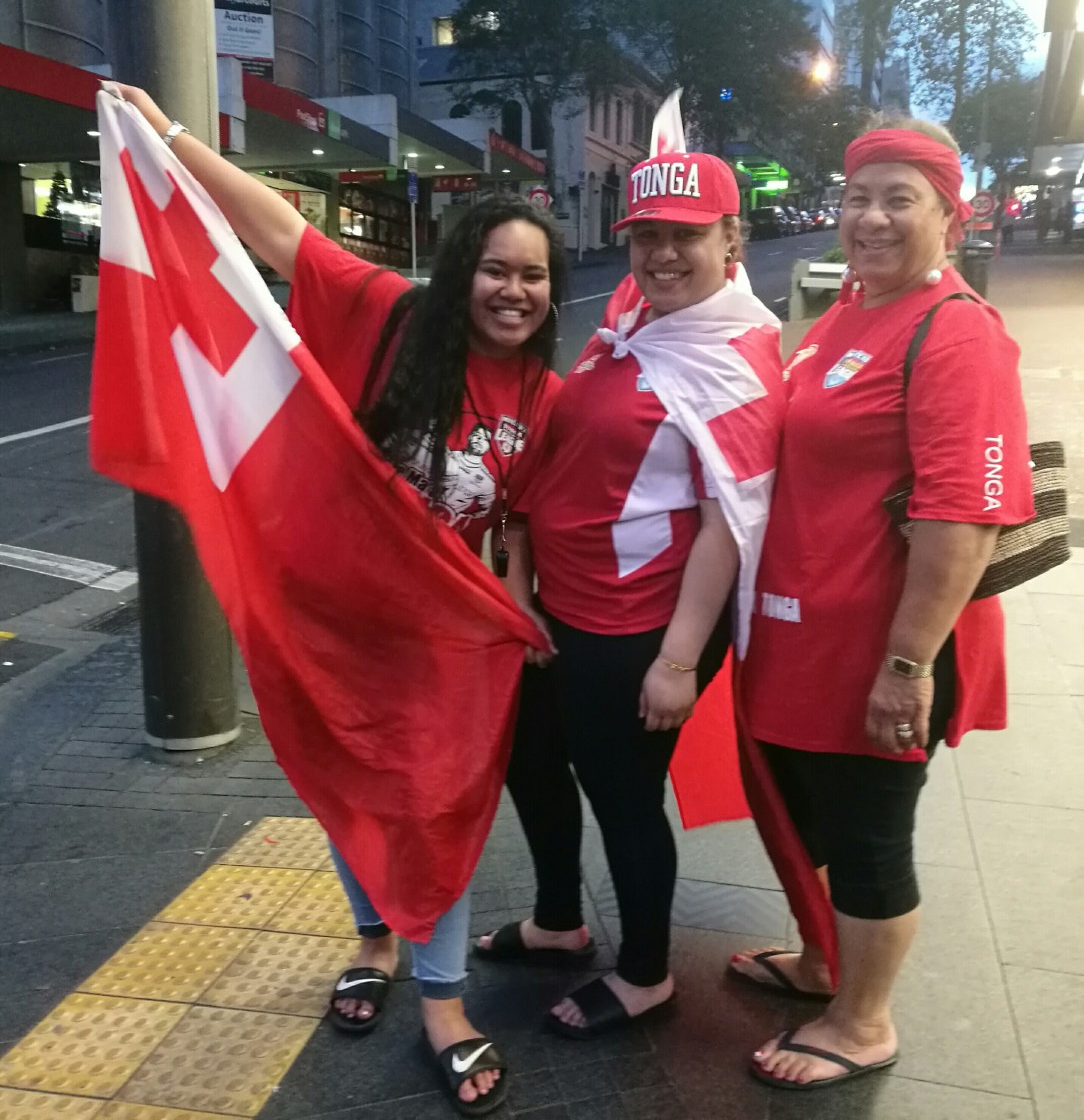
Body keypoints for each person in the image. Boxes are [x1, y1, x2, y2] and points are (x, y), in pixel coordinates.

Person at [112, 84, 566, 1117]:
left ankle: (444, 1003)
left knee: (438, 803)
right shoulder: (388, 315)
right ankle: (372, 938)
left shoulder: (544, 392)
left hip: (448, 635)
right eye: (495, 269)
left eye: (534, 277)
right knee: (345, 782)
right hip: (335, 616)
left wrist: (520, 604)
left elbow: (524, 517)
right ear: (462, 275)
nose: (514, 291)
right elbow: (276, 226)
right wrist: (169, 133)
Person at [728, 119, 1034, 1091]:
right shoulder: (843, 315)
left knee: (866, 830)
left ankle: (861, 1020)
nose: (869, 217)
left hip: (877, 644)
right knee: (810, 811)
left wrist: (908, 664)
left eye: (898, 199)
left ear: (950, 212)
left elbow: (961, 515)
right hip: (799, 632)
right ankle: (822, 963)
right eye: (858, 196)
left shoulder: (954, 333)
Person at [475, 150, 786, 1038]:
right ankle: (559, 921)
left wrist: (679, 660)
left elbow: (732, 520)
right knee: (529, 759)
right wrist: (522, 589)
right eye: (646, 234)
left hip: (638, 627)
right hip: (559, 609)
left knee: (620, 794)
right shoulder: (637, 318)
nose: (661, 253)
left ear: (733, 237)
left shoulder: (735, 355)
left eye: (686, 234)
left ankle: (646, 971)